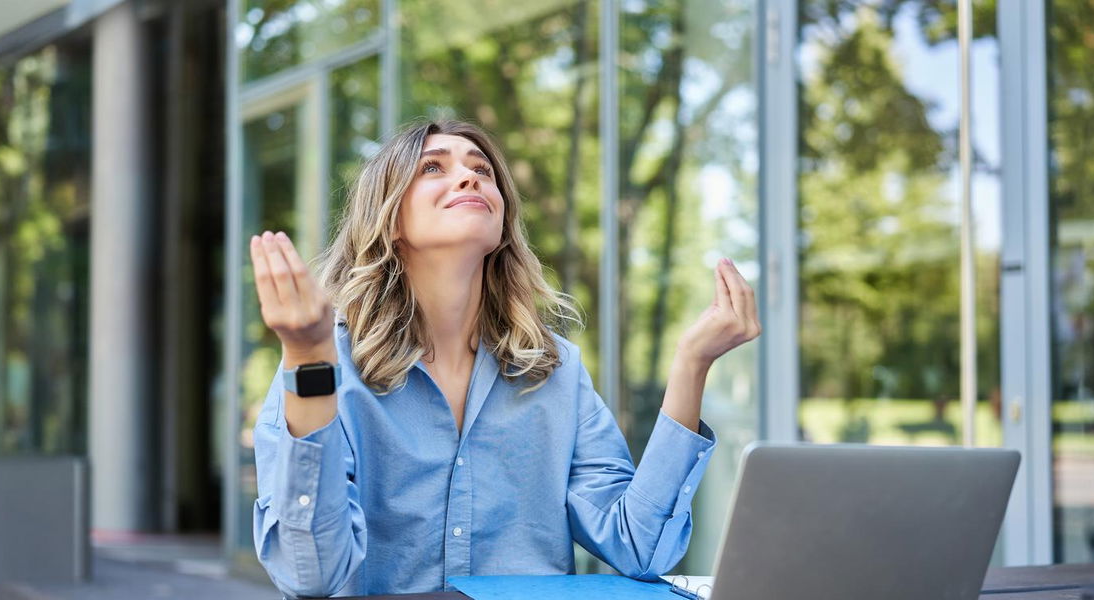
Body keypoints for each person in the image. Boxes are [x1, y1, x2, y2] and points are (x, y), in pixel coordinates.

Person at [249, 119, 760, 597]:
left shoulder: (555, 371)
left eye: (482, 170)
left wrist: (691, 364)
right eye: (434, 167)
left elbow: (638, 545)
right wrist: (307, 358)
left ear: (502, 221)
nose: (469, 179)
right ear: (389, 217)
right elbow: (310, 574)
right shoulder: (326, 363)